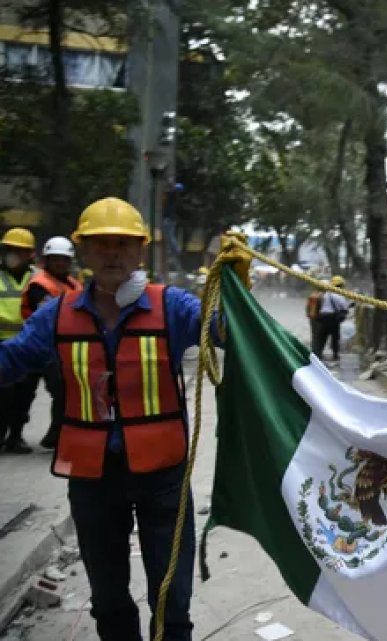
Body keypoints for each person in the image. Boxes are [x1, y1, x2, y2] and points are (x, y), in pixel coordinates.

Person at [0, 197, 247, 641]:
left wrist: (235, 288)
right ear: (84, 252)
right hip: (93, 478)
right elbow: (11, 360)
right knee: (109, 599)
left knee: (171, 598)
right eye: (101, 244)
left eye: (123, 244)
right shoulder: (56, 316)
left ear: (140, 251)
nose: (112, 253)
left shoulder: (171, 306)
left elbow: (227, 333)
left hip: (163, 477)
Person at [21, 236, 82, 449]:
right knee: (22, 394)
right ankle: (12, 435)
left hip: (63, 348)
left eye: (64, 259)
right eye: (55, 259)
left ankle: (56, 435)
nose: (60, 263)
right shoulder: (40, 284)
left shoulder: (73, 284)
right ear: (47, 260)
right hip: (39, 345)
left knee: (64, 393)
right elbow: (47, 316)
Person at [0, 227, 39, 453]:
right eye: (10, 250)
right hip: (2, 343)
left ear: (30, 255)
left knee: (24, 394)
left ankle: (16, 435)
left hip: (28, 344)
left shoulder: (37, 278)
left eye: (20, 251)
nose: (14, 255)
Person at [312, 275, 349, 363]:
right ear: (340, 285)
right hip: (332, 318)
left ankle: (317, 355)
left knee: (321, 337)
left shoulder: (326, 294)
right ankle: (335, 354)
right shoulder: (339, 296)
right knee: (335, 337)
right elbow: (344, 308)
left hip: (322, 317)